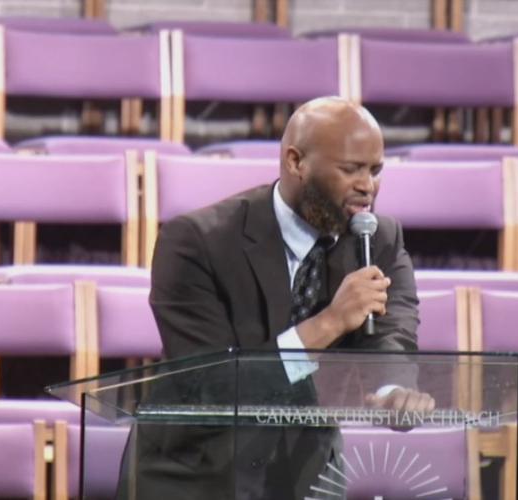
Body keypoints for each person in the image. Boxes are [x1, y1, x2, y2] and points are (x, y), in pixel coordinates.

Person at [120, 96, 433, 499]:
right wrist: (329, 323)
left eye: (375, 170)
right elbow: (210, 382)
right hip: (196, 474)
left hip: (305, 474)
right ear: (295, 161)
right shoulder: (197, 242)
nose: (367, 186)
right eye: (351, 169)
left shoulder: (378, 240)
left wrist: (393, 391)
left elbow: (392, 333)